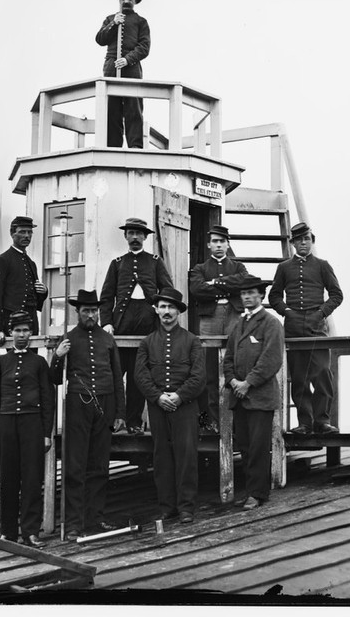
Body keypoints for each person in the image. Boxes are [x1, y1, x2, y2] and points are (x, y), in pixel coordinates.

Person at [50, 290, 125, 540]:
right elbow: (53, 379)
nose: (90, 315)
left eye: (94, 311)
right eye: (86, 311)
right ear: (78, 312)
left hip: (104, 406)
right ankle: (73, 523)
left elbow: (117, 377)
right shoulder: (68, 338)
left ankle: (95, 519)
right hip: (77, 407)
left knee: (99, 466)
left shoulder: (107, 339)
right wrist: (57, 357)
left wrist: (119, 413)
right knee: (75, 466)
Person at [134, 287, 206, 524]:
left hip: (184, 407)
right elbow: (141, 375)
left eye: (171, 307)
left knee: (186, 456)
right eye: (163, 307)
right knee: (162, 456)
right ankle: (167, 506)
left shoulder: (192, 341)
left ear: (178, 312)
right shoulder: (147, 342)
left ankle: (186, 507)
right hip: (158, 407)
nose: (167, 312)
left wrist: (178, 396)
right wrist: (157, 397)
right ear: (156, 310)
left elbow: (198, 377)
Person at [0, 311, 54, 548]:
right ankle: (8, 532)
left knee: (33, 480)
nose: (22, 335)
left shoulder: (39, 363)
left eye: (26, 330)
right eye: (17, 330)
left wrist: (46, 433)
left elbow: (47, 400)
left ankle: (31, 532)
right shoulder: (0, 362)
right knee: (8, 480)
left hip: (32, 426)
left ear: (31, 333)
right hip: (6, 427)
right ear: (10, 333)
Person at [269, 222, 344, 435]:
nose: (303, 243)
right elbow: (274, 295)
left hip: (317, 328)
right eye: (299, 240)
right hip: (293, 328)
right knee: (300, 378)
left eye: (307, 239)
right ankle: (305, 423)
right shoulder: (284, 268)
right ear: (292, 243)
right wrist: (287, 312)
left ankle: (322, 421)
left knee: (322, 374)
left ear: (312, 241)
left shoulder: (322, 265)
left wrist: (320, 313)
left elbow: (337, 295)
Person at [100, 217, 173, 434]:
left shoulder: (154, 261)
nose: (134, 237)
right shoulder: (117, 263)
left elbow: (167, 290)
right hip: (122, 323)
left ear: (145, 237)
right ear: (125, 236)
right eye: (130, 233)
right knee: (115, 374)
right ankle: (114, 420)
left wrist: (159, 312)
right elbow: (106, 296)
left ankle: (133, 422)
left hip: (147, 323)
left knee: (138, 376)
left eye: (138, 234)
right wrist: (107, 323)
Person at [223, 276, 283, 511]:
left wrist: (248, 382)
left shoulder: (271, 323)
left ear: (261, 295)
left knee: (259, 448)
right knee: (246, 447)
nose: (247, 297)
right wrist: (233, 381)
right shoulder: (237, 324)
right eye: (244, 294)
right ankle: (251, 490)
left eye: (252, 293)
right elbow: (228, 359)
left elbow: (272, 360)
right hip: (239, 398)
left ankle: (258, 493)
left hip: (260, 398)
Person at [189, 224, 250, 433]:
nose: (218, 245)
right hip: (209, 319)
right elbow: (197, 289)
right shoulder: (199, 268)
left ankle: (233, 422)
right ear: (209, 245)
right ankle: (209, 422)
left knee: (234, 367)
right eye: (214, 241)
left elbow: (243, 282)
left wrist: (215, 282)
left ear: (227, 244)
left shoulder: (238, 267)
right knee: (208, 372)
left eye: (222, 241)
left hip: (234, 316)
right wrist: (226, 287)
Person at [95, 0, 151, 148]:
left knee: (133, 107)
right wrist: (113, 23)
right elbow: (100, 39)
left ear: (135, 1)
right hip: (111, 67)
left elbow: (144, 47)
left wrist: (127, 59)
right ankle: (113, 147)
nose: (127, 1)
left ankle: (135, 147)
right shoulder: (110, 18)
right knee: (112, 108)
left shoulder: (141, 22)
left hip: (131, 68)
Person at [0, 215, 48, 342]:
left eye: (30, 232)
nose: (27, 236)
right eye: (22, 232)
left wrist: (44, 291)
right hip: (11, 323)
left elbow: (34, 299)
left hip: (31, 323)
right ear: (12, 234)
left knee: (31, 359)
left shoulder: (31, 263)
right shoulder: (2, 261)